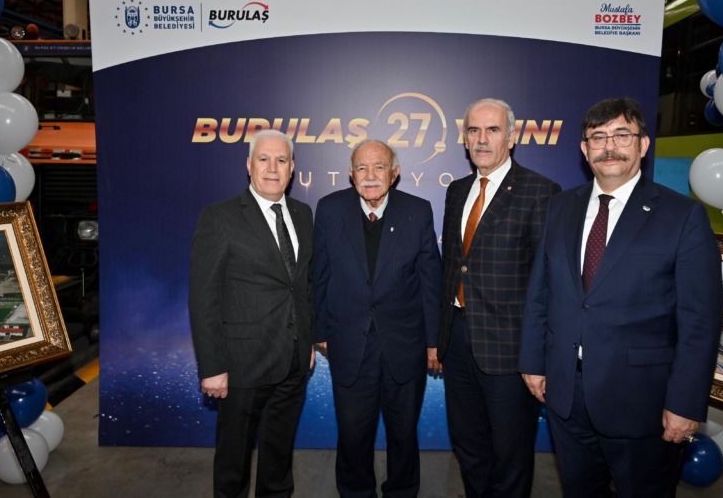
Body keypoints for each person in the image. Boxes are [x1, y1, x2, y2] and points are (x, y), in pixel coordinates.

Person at [518, 97, 723, 497]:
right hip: (565, 394)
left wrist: (685, 403)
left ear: (643, 144)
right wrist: (533, 362)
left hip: (642, 402)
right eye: (598, 137)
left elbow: (700, 321)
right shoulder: (558, 207)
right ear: (584, 149)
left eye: (621, 135)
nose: (609, 146)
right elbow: (540, 292)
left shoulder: (683, 216)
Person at [437, 98, 561, 497]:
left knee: (511, 453)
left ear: (511, 137)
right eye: (474, 130)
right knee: (469, 446)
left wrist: (538, 356)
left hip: (510, 349)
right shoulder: (457, 191)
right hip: (457, 342)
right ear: (464, 138)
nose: (482, 139)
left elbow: (548, 282)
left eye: (492, 130)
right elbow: (453, 268)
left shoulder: (540, 192)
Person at [189, 129, 316, 498]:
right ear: (249, 165)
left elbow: (304, 285)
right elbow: (203, 296)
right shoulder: (220, 217)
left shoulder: (303, 214)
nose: (272, 168)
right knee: (234, 464)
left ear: (292, 168)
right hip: (241, 364)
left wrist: (307, 341)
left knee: (279, 460)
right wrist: (212, 366)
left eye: (281, 160)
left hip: (293, 361)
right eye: (264, 159)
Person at [313, 139, 442, 498]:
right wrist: (319, 330)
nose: (370, 175)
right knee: (353, 435)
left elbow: (431, 282)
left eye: (379, 167)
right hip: (349, 343)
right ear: (351, 174)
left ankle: (402, 491)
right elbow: (318, 274)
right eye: (362, 168)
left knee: (403, 434)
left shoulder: (418, 211)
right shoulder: (329, 209)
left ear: (395, 173)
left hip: (405, 345)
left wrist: (435, 341)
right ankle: (356, 492)